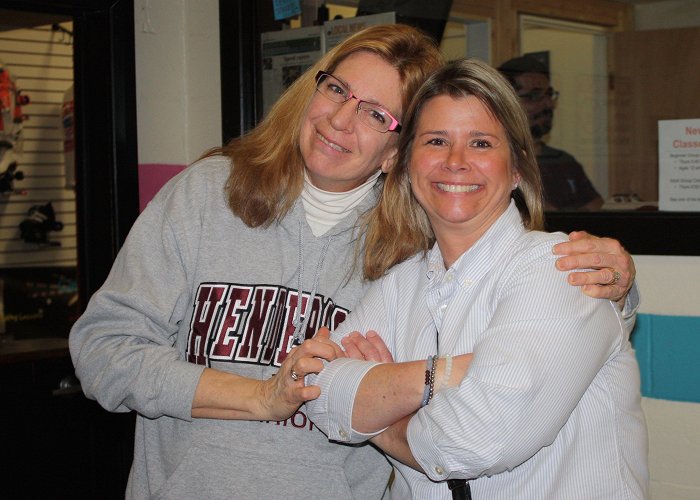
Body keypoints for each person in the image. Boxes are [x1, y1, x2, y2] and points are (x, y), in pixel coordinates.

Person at [69, 24, 637, 499]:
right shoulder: (205, 193)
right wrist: (265, 397)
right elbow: (104, 352)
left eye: (375, 115)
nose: (341, 119)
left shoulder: (410, 241)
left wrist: (618, 288)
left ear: (397, 152)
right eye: (337, 90)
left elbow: (531, 333)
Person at [305, 58, 647, 498]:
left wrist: (381, 414)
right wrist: (440, 376)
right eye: (435, 141)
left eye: (482, 143)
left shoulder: (562, 269)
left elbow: (472, 441)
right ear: (407, 163)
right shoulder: (399, 286)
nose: (455, 162)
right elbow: (318, 390)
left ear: (518, 168)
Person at [498, 55, 604, 211]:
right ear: (508, 104)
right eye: (535, 96)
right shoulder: (498, 161)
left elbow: (595, 205)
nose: (548, 104)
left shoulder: (563, 161)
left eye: (549, 94)